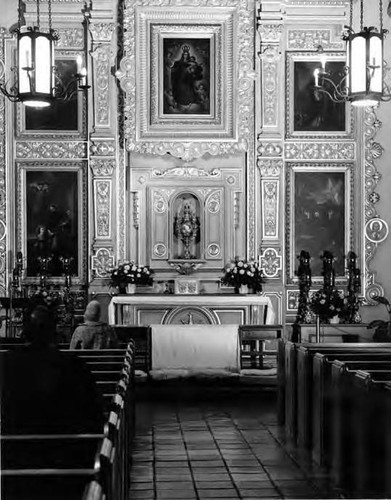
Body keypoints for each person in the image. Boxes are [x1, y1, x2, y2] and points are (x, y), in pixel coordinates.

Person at [0, 305, 105, 434]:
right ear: (54, 332)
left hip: (15, 444)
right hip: (64, 445)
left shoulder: (7, 362)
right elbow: (94, 411)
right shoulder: (73, 364)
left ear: (24, 331)